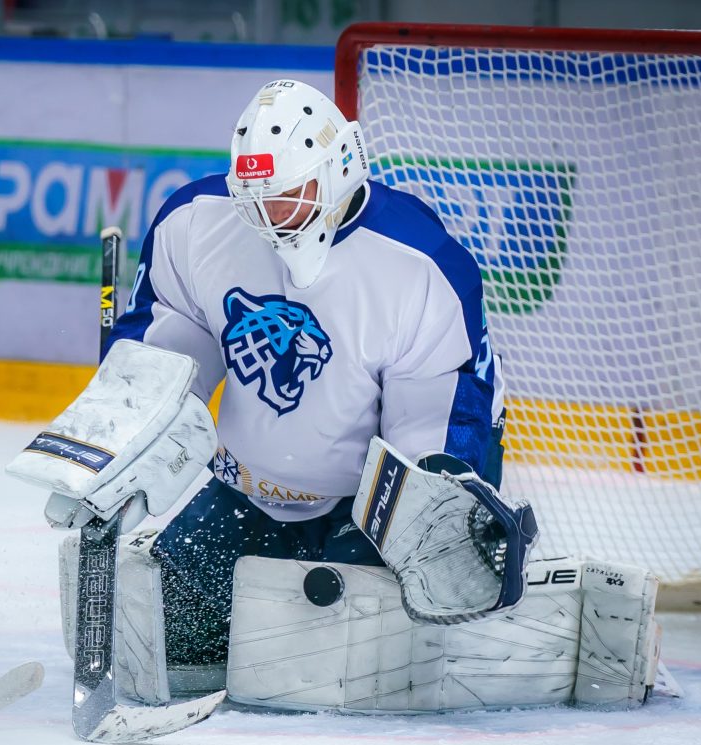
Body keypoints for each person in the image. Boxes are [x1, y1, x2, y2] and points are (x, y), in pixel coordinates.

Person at [103, 78, 507, 666]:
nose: (271, 218)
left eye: (289, 196)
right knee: (167, 634)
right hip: (247, 495)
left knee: (340, 653)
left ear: (340, 168)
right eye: (255, 200)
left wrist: (436, 525)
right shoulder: (194, 224)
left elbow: (438, 420)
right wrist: (117, 440)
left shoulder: (420, 267)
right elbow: (167, 357)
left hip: (371, 510)